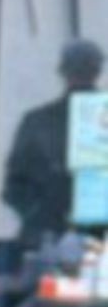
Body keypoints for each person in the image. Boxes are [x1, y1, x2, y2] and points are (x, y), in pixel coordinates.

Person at [6, 39, 107, 248]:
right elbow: (15, 186)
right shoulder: (38, 121)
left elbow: (15, 186)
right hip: (52, 237)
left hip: (53, 237)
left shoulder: (37, 121)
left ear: (62, 71)